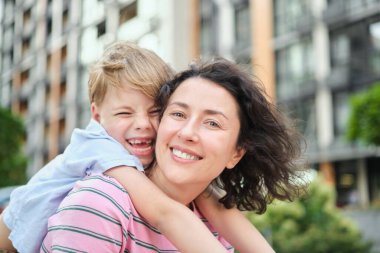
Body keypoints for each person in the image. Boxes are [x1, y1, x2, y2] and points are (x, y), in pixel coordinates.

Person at [0, 42, 276, 253]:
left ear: (237, 152)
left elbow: (217, 208)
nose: (142, 124)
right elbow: (164, 212)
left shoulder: (203, 209)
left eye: (155, 111)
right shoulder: (101, 159)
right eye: (179, 114)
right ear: (97, 117)